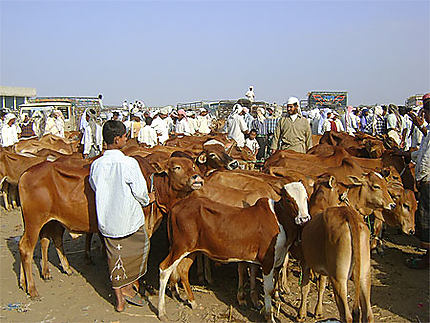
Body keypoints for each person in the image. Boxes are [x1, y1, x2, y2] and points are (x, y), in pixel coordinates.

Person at [89, 120, 156, 312]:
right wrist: (148, 199)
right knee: (142, 246)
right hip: (129, 220)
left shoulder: (96, 164)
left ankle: (120, 298)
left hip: (108, 221)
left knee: (114, 257)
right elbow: (140, 192)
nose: (127, 139)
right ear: (117, 140)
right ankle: (128, 286)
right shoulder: (129, 163)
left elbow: (95, 187)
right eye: (125, 136)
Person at [396, 93, 430, 269]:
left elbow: (426, 160)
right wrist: (407, 154)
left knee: (426, 217)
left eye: (426, 113)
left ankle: (427, 257)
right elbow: (422, 154)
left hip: (428, 181)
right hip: (425, 179)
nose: (424, 117)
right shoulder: (428, 133)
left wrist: (421, 178)